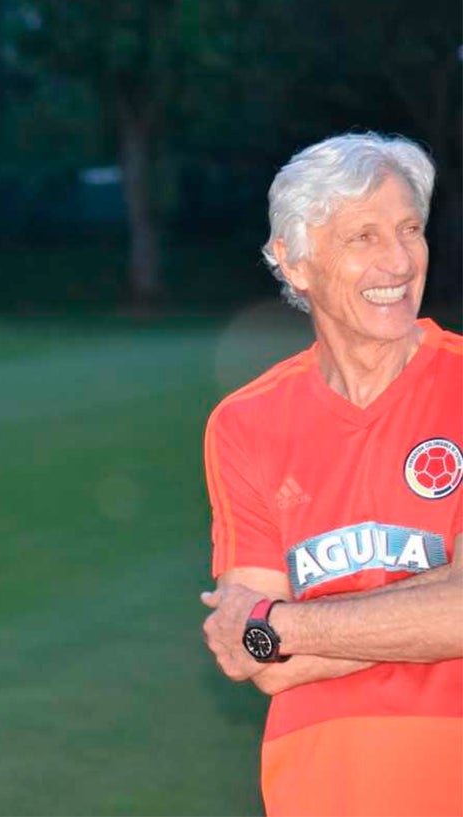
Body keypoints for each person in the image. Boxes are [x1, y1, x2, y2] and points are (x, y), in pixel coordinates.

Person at [199, 132, 462, 816]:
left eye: (410, 229)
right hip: (316, 793)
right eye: (364, 237)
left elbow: (262, 630)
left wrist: (286, 623)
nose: (400, 260)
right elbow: (255, 659)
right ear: (296, 261)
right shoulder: (245, 422)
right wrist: (424, 602)